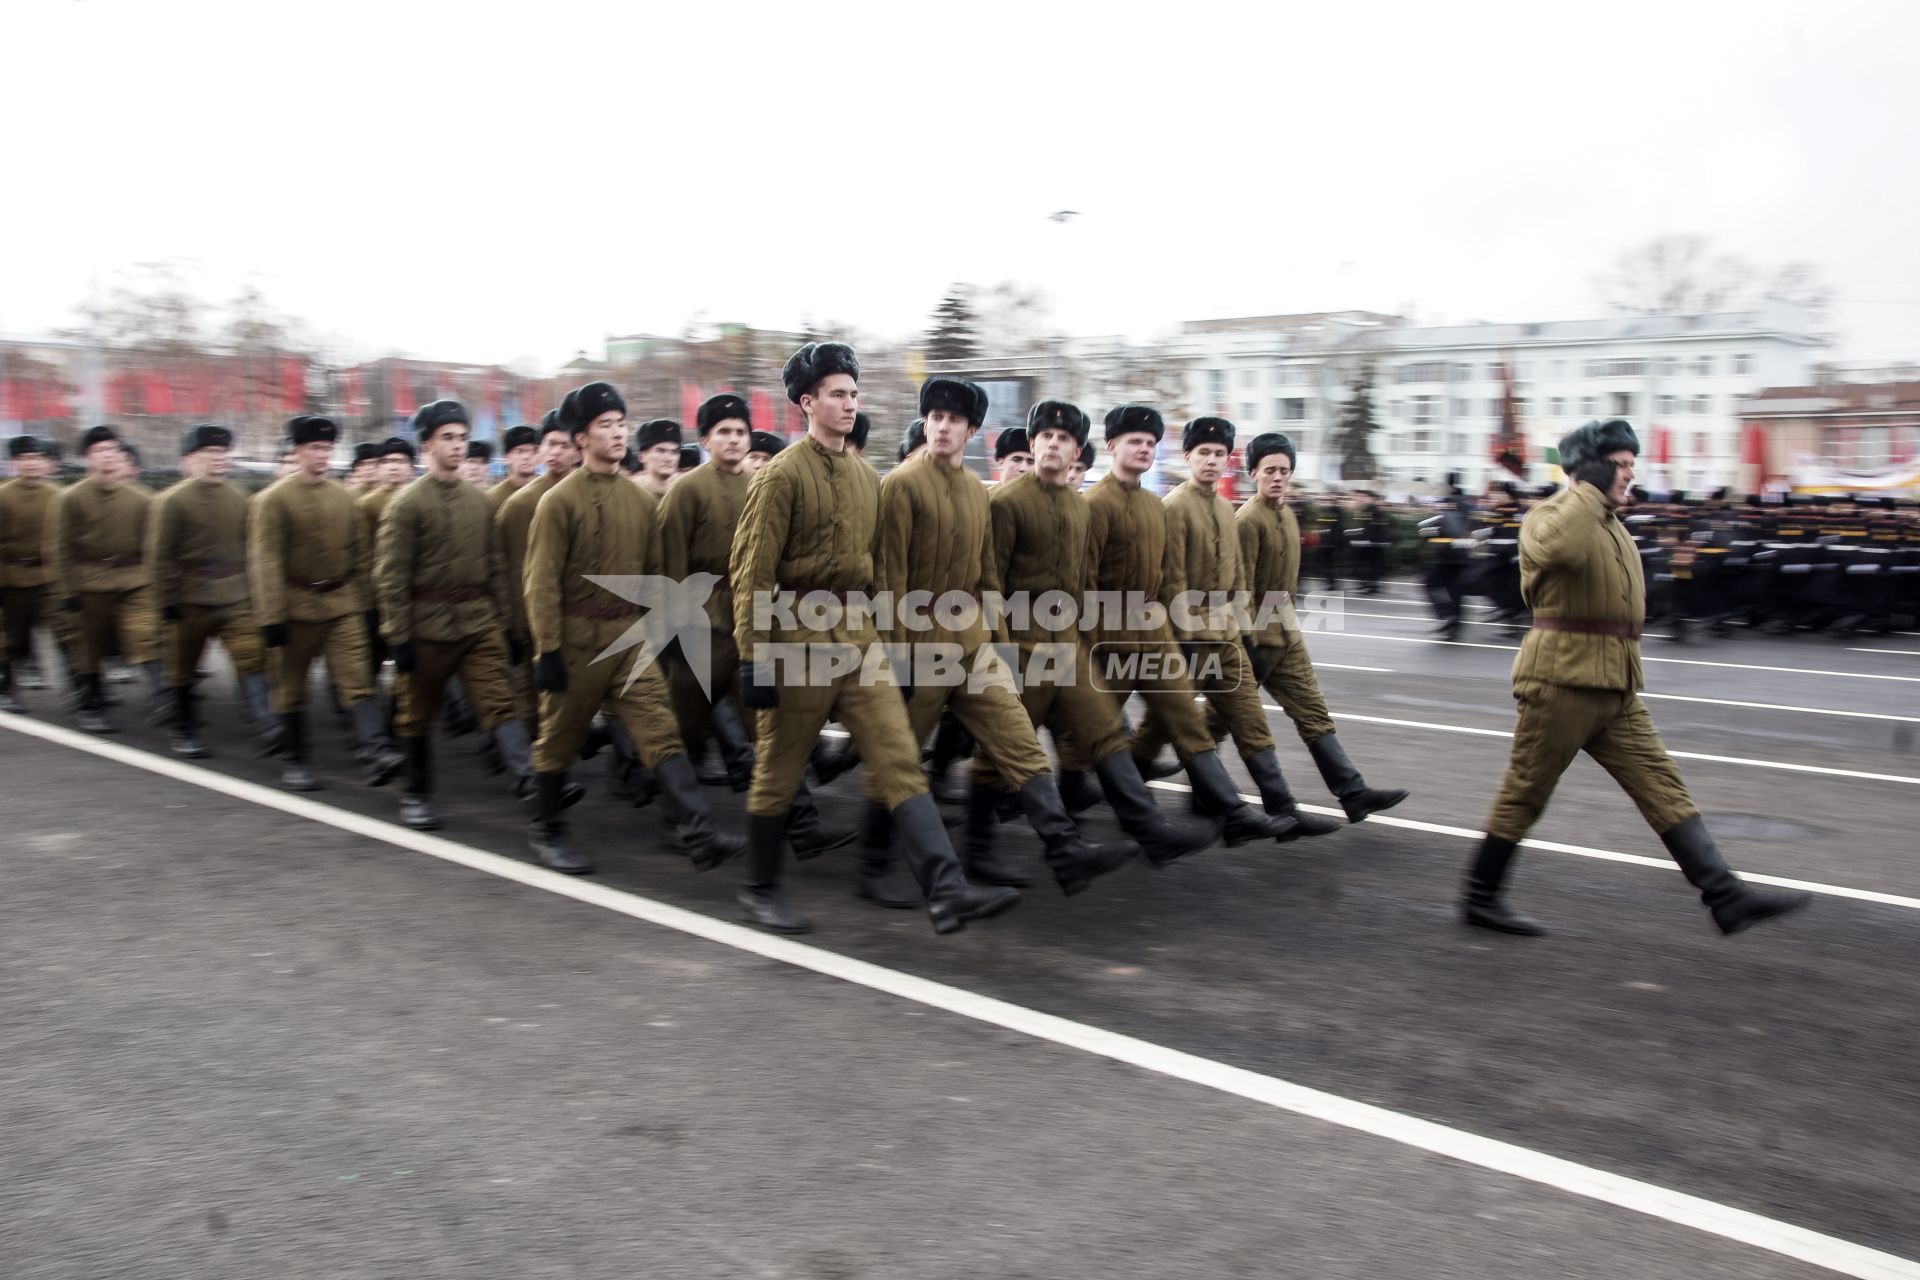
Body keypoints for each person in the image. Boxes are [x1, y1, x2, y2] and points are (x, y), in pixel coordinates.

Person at [1462, 420, 1811, 937]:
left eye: (1630, 464)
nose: (1630, 474)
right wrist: (1588, 486)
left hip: (1616, 687)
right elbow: (1559, 552)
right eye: (1620, 465)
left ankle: (1725, 896)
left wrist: (1602, 493)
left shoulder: (1613, 526)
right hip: (1561, 683)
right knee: (1526, 792)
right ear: (1592, 468)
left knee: (1663, 787)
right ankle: (1480, 898)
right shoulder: (1549, 516)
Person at [731, 342, 1019, 936]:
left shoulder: (867, 478)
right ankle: (760, 889)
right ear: (806, 403)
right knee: (781, 769)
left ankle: (947, 888)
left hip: (859, 637)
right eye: (837, 394)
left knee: (897, 757)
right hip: (796, 639)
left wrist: (890, 641)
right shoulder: (780, 476)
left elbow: (879, 569)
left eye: (853, 394)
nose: (849, 403)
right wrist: (753, 656)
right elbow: (751, 571)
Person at [867, 377, 1135, 900]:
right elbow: (888, 578)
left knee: (1017, 741)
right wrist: (895, 658)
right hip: (919, 651)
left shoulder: (975, 490)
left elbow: (987, 577)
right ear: (926, 424)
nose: (943, 427)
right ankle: (873, 867)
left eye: (954, 421)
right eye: (935, 418)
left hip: (973, 645)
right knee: (898, 756)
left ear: (972, 431)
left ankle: (1065, 851)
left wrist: (999, 643)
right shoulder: (900, 485)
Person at [979, 398, 1218, 868]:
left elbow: (1082, 583)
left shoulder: (1077, 505)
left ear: (1076, 454)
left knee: (1106, 731)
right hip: (1021, 649)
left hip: (1066, 646)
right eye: (1046, 436)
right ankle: (978, 851)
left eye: (1064, 439)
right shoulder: (1006, 503)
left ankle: (1149, 833)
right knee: (1003, 751)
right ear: (1033, 443)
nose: (1053, 444)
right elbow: (990, 583)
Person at [523, 381, 745, 876]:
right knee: (558, 739)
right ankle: (546, 829)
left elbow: (655, 577)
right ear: (581, 438)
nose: (618, 433)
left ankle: (699, 831)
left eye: (621, 424)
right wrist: (549, 651)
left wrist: (662, 635)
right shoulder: (558, 502)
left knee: (661, 732)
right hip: (576, 641)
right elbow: (540, 583)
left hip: (629, 641)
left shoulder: (643, 502)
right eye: (606, 426)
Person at [1083, 406, 1297, 845]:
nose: (1143, 449)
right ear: (1112, 447)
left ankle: (1231, 813)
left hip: (1155, 635)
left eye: (1149, 443)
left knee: (1185, 720)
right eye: (1133, 442)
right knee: (1088, 732)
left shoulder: (1149, 504)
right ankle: (1050, 808)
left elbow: (1168, 577)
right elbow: (1083, 581)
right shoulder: (1097, 504)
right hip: (1106, 641)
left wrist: (1236, 632)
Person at [657, 392, 853, 855]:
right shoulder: (686, 491)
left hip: (747, 627)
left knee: (770, 730)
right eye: (723, 431)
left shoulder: (764, 483)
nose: (734, 439)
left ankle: (801, 824)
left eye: (740, 431)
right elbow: (667, 568)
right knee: (684, 731)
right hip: (698, 632)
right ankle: (680, 822)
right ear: (704, 439)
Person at [1147, 417, 1342, 836]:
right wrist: (1184, 637)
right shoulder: (1175, 506)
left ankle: (1281, 809)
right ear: (1189, 457)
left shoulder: (1223, 507)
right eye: (1204, 453)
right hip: (1191, 640)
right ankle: (1120, 780)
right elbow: (1173, 580)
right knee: (1159, 727)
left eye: (1220, 454)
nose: (1213, 461)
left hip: (1228, 639)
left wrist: (1246, 635)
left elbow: (1237, 580)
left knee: (1251, 721)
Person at [374, 400, 557, 829]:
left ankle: (532, 785)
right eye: (448, 439)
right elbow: (391, 577)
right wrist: (397, 637)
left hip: (478, 622)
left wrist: (507, 624)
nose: (458, 447)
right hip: (426, 626)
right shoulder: (406, 505)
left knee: (500, 703)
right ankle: (416, 793)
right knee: (415, 712)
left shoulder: (480, 502)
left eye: (461, 438)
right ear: (428, 445)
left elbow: (495, 568)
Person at [1236, 432, 1408, 822]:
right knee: (1222, 719)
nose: (1278, 477)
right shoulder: (1247, 520)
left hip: (1287, 635)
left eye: (1284, 470)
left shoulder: (1287, 513)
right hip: (1257, 640)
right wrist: (1247, 642)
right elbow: (1241, 586)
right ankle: (1198, 787)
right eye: (1269, 470)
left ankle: (1353, 793)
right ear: (1253, 474)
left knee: (1314, 713)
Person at [249, 415, 404, 791]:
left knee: (357, 679)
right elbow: (265, 560)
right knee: (291, 686)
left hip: (341, 603)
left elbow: (361, 554)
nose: (322, 455)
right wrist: (271, 617)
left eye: (327, 448)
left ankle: (377, 749)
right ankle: (296, 760)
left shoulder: (344, 497)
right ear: (298, 451)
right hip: (294, 605)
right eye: (315, 448)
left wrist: (368, 607)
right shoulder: (273, 500)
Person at [146, 423, 278, 758]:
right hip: (190, 598)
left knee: (252, 657)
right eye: (210, 453)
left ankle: (267, 725)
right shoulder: (172, 501)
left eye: (222, 453)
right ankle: (184, 729)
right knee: (182, 667)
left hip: (235, 596)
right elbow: (160, 556)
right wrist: (166, 601)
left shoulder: (238, 498)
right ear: (191, 459)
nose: (218, 459)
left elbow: (252, 551)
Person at [47, 425, 160, 734]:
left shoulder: (142, 499)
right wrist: (66, 591)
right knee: (88, 647)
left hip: (133, 581)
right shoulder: (70, 499)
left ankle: (169, 699)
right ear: (87, 459)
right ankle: (90, 705)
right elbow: (59, 548)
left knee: (145, 636)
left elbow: (153, 547)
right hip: (89, 584)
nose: (108, 457)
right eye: (100, 451)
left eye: (113, 450)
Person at [497, 411, 580, 730]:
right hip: (536, 621)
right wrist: (517, 629)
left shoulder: (587, 495)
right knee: (534, 702)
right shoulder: (521, 504)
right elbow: (517, 573)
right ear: (541, 449)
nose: (557, 452)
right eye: (551, 444)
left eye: (564, 444)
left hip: (580, 619)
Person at [0, 435, 59, 711]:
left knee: (67, 632)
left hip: (48, 577)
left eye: (36, 458)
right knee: (12, 638)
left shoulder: (57, 496)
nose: (32, 464)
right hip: (10, 578)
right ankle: (6, 688)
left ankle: (90, 696)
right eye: (25, 459)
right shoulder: (4, 496)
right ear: (14, 463)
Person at [486, 424, 541, 515]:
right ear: (506, 457)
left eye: (534, 451)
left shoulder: (547, 492)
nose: (527, 456)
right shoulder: (493, 498)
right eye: (520, 451)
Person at [634, 418, 680, 499]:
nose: (669, 459)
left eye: (674, 452)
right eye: (661, 451)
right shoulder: (630, 493)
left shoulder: (685, 492)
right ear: (642, 456)